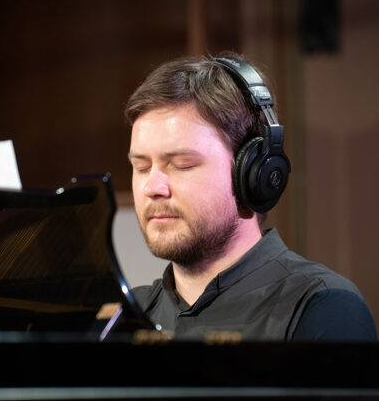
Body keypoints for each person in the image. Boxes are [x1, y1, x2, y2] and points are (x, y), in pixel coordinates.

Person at [125, 52, 377, 341]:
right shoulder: (125, 316)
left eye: (183, 165)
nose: (152, 187)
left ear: (253, 172)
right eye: (141, 167)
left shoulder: (323, 308)